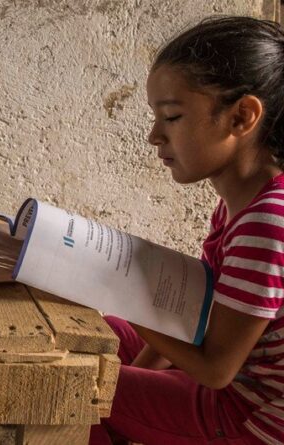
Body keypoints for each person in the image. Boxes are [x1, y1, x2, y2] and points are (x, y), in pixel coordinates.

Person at [91, 16, 284, 445]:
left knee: (76, 392)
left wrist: (124, 293)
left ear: (241, 117)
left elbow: (216, 369)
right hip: (236, 390)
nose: (154, 136)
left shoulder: (268, 222)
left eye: (172, 116)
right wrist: (136, 380)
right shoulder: (238, 205)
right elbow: (189, 317)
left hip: (252, 418)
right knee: (100, 335)